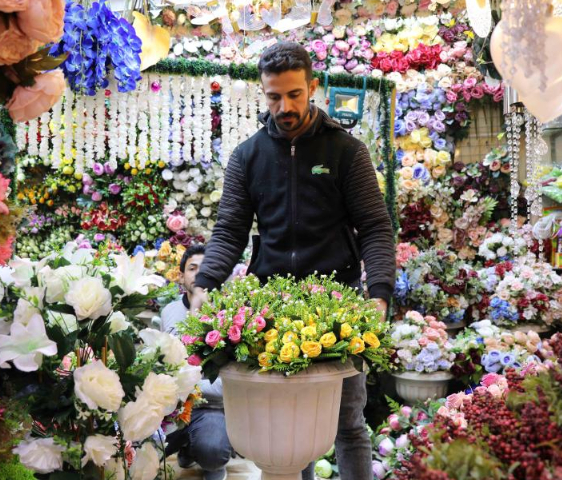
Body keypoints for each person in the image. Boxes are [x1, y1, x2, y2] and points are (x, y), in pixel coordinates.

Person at [189, 42, 395, 480]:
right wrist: (204, 283)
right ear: (263, 93)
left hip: (338, 307)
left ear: (312, 87)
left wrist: (378, 294)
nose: (285, 107)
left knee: (348, 422)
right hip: (273, 307)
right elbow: (229, 230)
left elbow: (376, 226)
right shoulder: (247, 156)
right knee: (288, 425)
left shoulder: (346, 151)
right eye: (274, 97)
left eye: (294, 94)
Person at [161, 244, 232, 480]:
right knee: (143, 444)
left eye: (206, 268)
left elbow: (228, 385)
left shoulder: (228, 317)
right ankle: (187, 448)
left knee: (213, 449)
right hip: (172, 409)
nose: (199, 274)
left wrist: (183, 386)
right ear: (181, 277)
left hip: (210, 409)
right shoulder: (169, 311)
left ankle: (211, 460)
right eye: (192, 268)